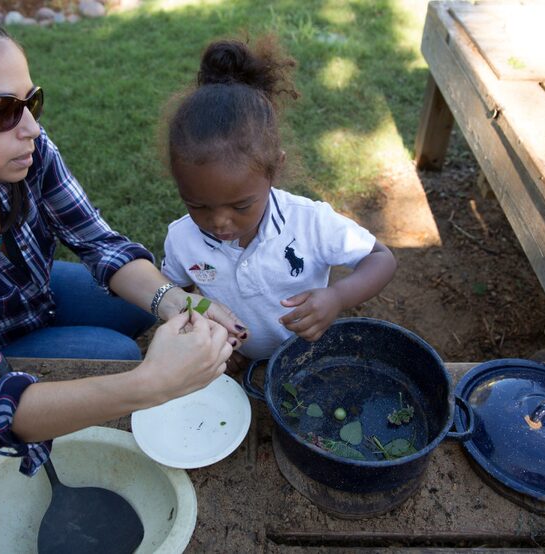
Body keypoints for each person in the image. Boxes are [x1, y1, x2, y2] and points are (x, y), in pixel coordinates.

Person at [0, 9, 246, 476]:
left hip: (31, 295)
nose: (31, 128)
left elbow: (97, 241)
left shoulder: (22, 151)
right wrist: (150, 383)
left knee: (148, 303)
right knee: (117, 357)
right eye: (0, 111)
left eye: (30, 102)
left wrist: (177, 301)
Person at [160, 36, 397, 370]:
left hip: (309, 359)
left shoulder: (310, 223)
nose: (219, 222)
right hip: (237, 362)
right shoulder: (182, 239)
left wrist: (338, 297)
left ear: (275, 170)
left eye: (240, 206)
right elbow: (177, 290)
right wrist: (209, 331)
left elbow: (381, 258)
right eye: (197, 205)